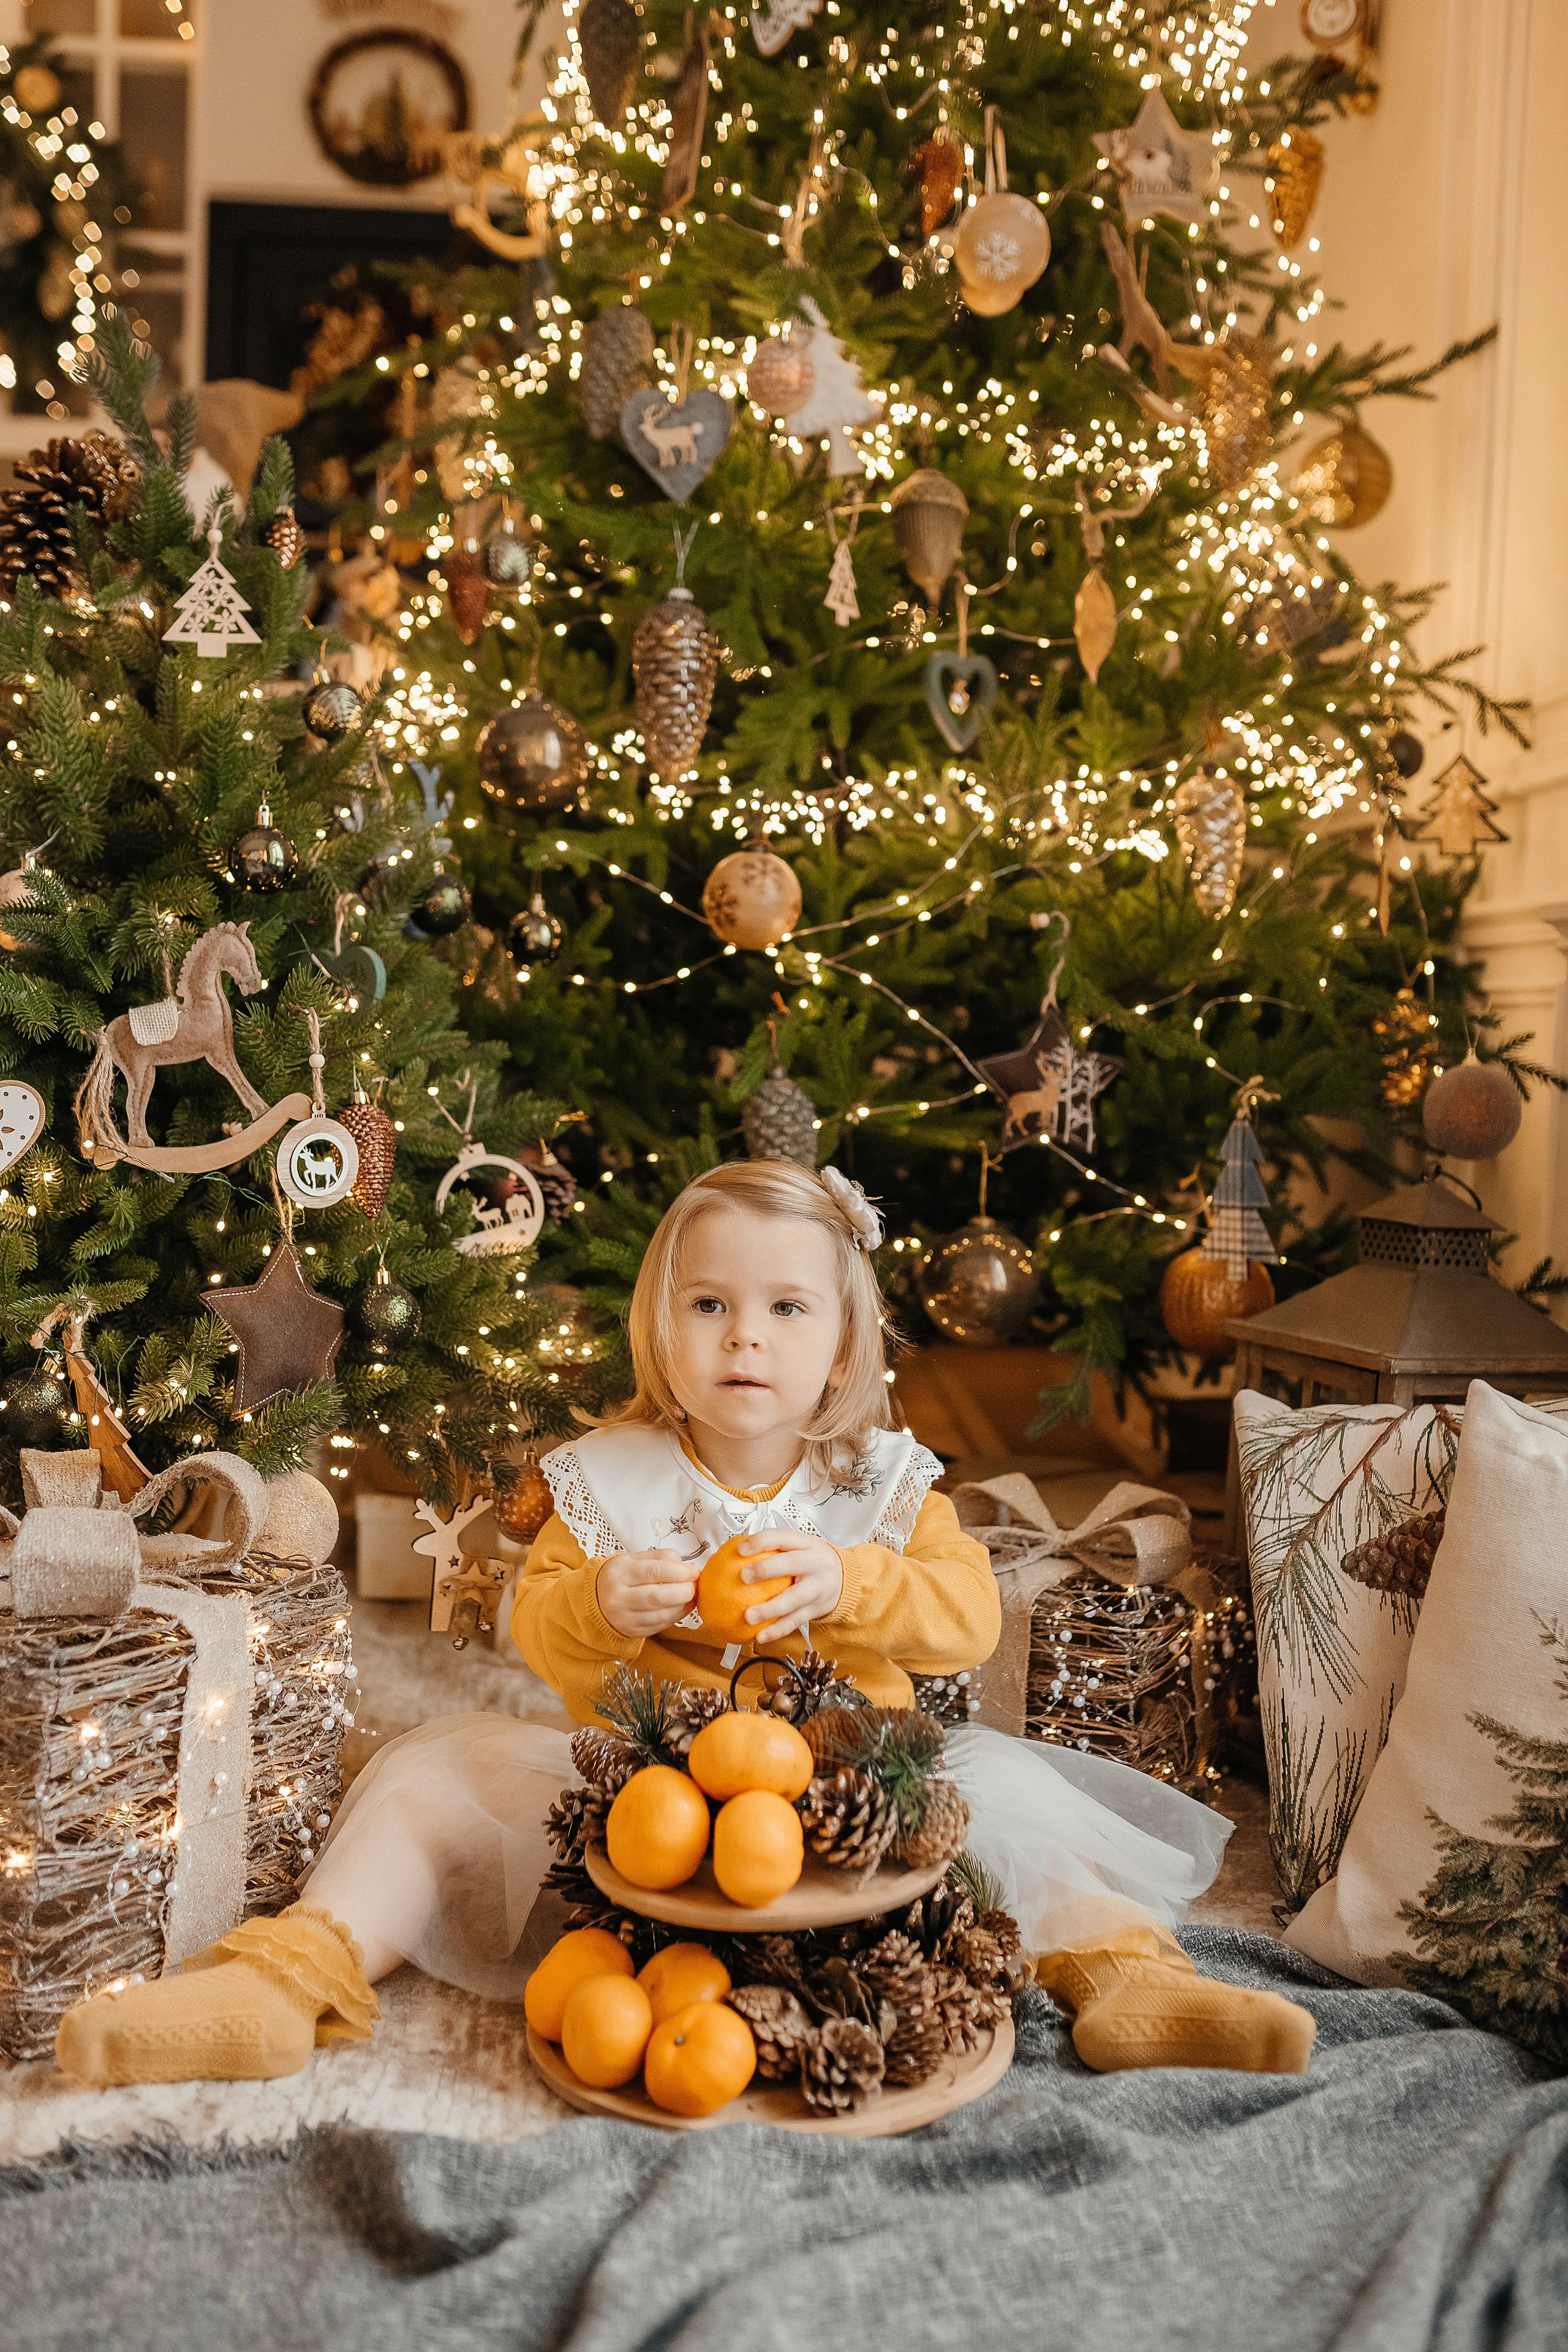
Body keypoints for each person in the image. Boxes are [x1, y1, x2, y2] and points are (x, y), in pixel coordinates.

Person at [55, 1161, 1314, 2088]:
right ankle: (286, 1983)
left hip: (851, 1796)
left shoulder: (876, 1480)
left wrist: (853, 1583)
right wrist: (597, 1606)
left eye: (783, 1310)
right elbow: (537, 1632)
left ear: (837, 1351)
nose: (743, 1337)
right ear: (663, 1326)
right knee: (430, 1780)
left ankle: (1130, 1984)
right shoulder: (610, 1477)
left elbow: (967, 1621)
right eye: (707, 1306)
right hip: (636, 1798)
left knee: (1017, 1814)